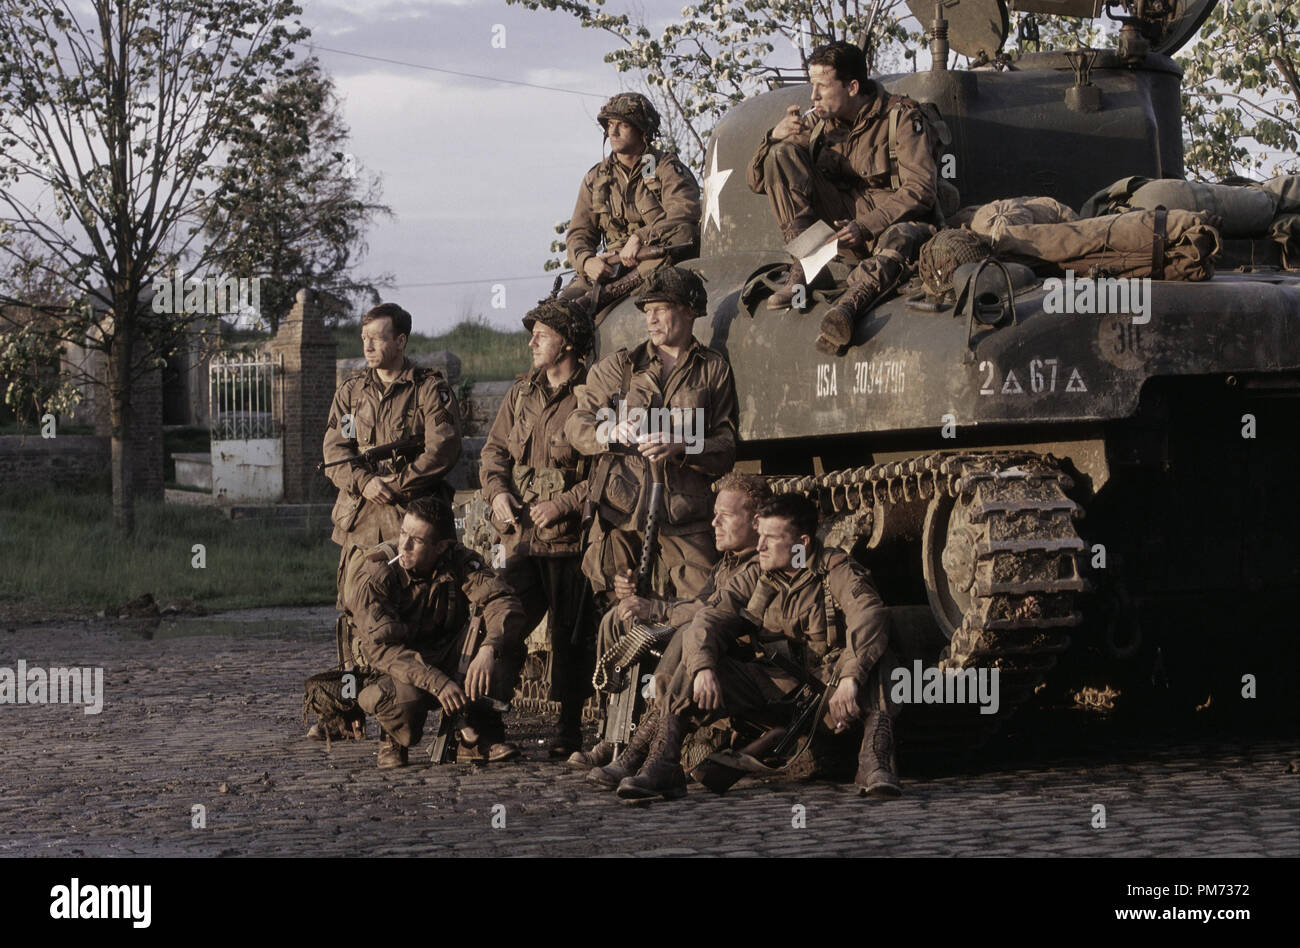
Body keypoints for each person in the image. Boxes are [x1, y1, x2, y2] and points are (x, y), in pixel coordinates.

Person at [608, 492, 902, 802]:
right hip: (769, 689)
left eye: (770, 538)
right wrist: (704, 668)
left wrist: (849, 678)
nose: (759, 546)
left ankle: (875, 762)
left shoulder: (835, 570)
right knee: (693, 658)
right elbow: (709, 618)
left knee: (882, 659)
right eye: (759, 536)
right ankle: (663, 763)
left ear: (801, 543)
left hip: (825, 693)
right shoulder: (756, 575)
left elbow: (868, 614)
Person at [314, 302, 462, 740]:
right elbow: (334, 451)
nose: (370, 346)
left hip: (409, 523)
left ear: (401, 341)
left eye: (378, 338)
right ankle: (346, 713)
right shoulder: (351, 392)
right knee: (354, 616)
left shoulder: (429, 389)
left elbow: (444, 448)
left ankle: (407, 710)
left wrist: (399, 482)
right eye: (365, 339)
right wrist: (363, 482)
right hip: (361, 521)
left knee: (413, 615)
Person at [574, 472, 772, 783]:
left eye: (726, 516)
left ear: (758, 522)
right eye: (715, 514)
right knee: (621, 618)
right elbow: (701, 602)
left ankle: (647, 755)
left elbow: (710, 613)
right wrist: (647, 602)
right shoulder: (728, 563)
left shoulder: (761, 565)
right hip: (722, 656)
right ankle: (618, 740)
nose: (714, 524)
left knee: (688, 632)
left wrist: (656, 608)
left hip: (751, 669)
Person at [748, 41, 942, 353]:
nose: (813, 96)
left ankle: (851, 303)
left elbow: (920, 189)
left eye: (822, 86)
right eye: (812, 86)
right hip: (836, 225)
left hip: (888, 225)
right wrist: (774, 137)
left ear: (852, 86)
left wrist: (865, 226)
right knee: (780, 155)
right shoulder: (817, 123)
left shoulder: (902, 118)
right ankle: (807, 263)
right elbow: (759, 182)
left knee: (904, 237)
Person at [564, 265, 738, 606]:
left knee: (700, 607)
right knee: (621, 616)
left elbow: (726, 445)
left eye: (660, 309)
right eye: (647, 311)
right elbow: (576, 424)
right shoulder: (619, 368)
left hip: (683, 518)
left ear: (688, 312)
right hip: (621, 515)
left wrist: (682, 445)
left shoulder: (712, 369)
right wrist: (608, 431)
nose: (650, 319)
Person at [478, 298, 598, 757]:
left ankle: (568, 730)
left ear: (566, 341)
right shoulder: (521, 395)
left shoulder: (592, 396)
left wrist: (566, 502)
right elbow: (494, 454)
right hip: (522, 541)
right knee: (503, 623)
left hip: (570, 543)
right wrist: (497, 493)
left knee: (572, 638)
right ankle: (485, 723)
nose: (531, 341)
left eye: (541, 334)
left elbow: (611, 471)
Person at [343, 497, 529, 769]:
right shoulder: (377, 572)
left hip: (442, 652)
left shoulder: (458, 560)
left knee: (506, 643)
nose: (403, 545)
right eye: (403, 532)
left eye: (415, 540)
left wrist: (489, 648)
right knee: (408, 701)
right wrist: (436, 682)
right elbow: (382, 649)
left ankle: (476, 735)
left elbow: (502, 601)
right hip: (395, 664)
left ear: (442, 546)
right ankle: (392, 737)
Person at [562, 93, 702, 307]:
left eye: (623, 125)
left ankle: (612, 293)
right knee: (556, 311)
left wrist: (640, 238)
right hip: (611, 264)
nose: (613, 132)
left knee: (684, 235)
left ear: (642, 131)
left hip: (653, 255)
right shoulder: (596, 178)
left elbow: (685, 211)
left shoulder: (664, 167)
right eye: (610, 125)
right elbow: (578, 234)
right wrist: (587, 261)